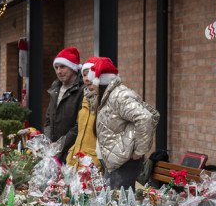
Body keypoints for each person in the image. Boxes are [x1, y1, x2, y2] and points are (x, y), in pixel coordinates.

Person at [87, 58, 159, 188]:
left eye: (92, 82)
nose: (90, 86)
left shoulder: (119, 96)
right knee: (111, 198)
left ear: (101, 82)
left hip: (125, 163)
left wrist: (139, 151)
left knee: (120, 199)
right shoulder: (107, 96)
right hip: (116, 161)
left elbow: (145, 118)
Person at [45, 47, 84, 159]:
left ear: (73, 67)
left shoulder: (82, 90)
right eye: (56, 67)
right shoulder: (55, 88)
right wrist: (50, 144)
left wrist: (61, 145)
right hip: (54, 151)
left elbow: (80, 125)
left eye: (62, 67)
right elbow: (48, 119)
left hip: (74, 152)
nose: (58, 71)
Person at [67, 62, 101, 168]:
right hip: (78, 162)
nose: (86, 79)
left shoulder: (105, 102)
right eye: (84, 75)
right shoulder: (86, 99)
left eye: (90, 75)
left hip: (94, 165)